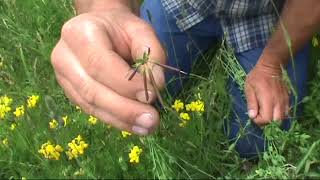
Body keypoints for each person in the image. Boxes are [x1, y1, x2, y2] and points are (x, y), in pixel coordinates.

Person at [51, 0, 320, 158]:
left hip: (268, 14)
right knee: (136, 89)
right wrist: (105, 11)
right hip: (183, 4)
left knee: (256, 140)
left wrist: (271, 65)